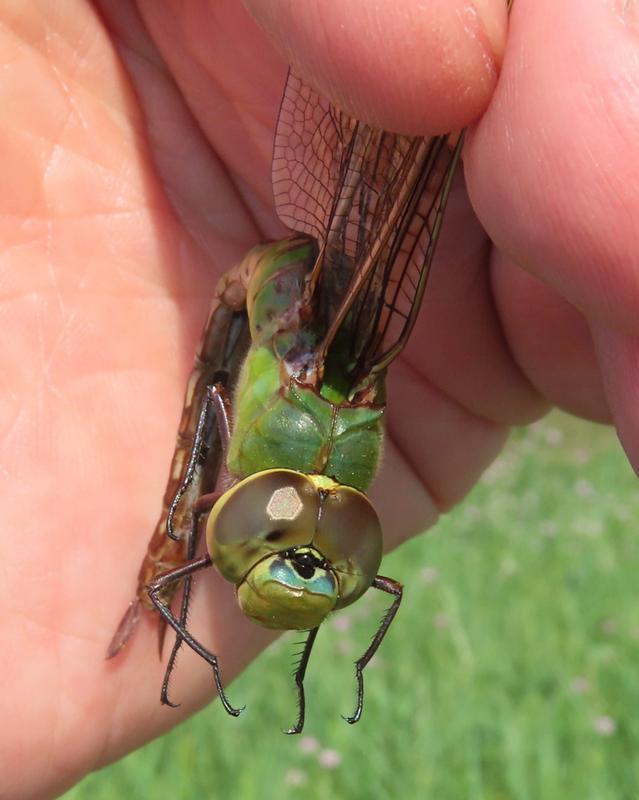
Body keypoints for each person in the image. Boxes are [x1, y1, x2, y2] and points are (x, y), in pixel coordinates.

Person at [2, 1, 637, 797]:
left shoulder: (325, 456)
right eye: (336, 554)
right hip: (289, 292)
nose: (309, 559)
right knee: (423, 68)